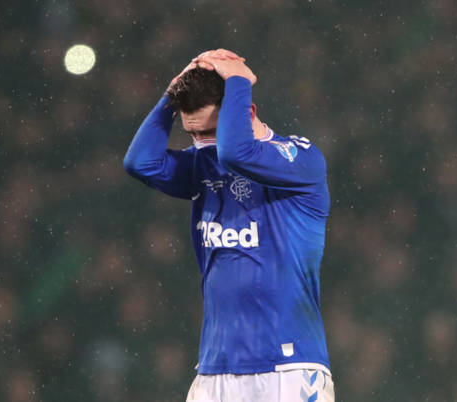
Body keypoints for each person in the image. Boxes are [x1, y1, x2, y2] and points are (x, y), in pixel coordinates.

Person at [123, 49, 335, 402]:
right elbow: (140, 163)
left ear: (246, 112)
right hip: (215, 367)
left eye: (210, 131)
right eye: (193, 135)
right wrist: (173, 94)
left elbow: (236, 153)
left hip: (289, 365)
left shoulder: (300, 159)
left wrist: (238, 79)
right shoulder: (200, 167)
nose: (202, 144)